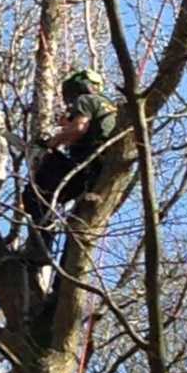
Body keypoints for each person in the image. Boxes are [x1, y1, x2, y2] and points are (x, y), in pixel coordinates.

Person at [21, 68, 116, 257]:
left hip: (87, 164)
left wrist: (50, 143)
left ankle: (39, 250)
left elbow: (78, 129)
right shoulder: (111, 108)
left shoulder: (85, 100)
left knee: (36, 194)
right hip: (100, 173)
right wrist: (66, 124)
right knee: (76, 225)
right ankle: (59, 279)